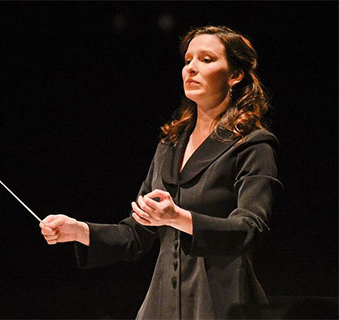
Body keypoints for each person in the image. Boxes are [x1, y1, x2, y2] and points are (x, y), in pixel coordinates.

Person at [39, 25, 283, 320]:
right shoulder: (170, 144)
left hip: (220, 301)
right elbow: (137, 233)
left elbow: (251, 229)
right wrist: (78, 230)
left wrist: (176, 217)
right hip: (164, 302)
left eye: (206, 60)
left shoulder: (253, 144)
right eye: (188, 59)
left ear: (235, 75)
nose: (191, 68)